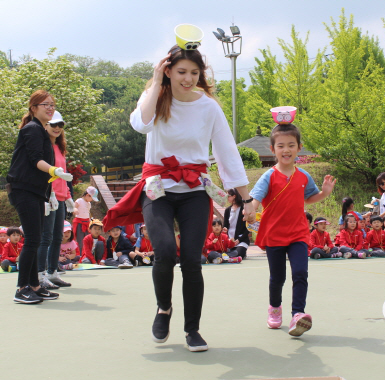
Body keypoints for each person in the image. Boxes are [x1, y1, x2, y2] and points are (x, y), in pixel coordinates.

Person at [103, 43, 253, 352]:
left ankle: (192, 329)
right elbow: (140, 124)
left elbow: (226, 151)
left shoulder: (208, 107)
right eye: (181, 71)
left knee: (192, 260)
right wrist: (156, 83)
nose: (188, 78)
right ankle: (164, 308)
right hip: (157, 187)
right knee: (165, 251)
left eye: (195, 73)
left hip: (194, 189)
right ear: (168, 71)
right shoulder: (155, 98)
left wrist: (247, 198)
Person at [249, 121, 335, 337]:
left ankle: (298, 314)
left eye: (291, 145)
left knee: (300, 273)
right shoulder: (268, 176)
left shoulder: (304, 176)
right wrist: (251, 209)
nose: (286, 150)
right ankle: (274, 308)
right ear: (273, 149)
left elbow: (309, 198)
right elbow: (256, 198)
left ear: (299, 147)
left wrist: (324, 193)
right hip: (274, 234)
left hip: (298, 233)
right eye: (280, 146)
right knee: (277, 278)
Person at [6, 90, 71, 303]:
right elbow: (36, 160)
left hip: (35, 191)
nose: (50, 108)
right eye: (46, 104)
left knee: (36, 239)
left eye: (52, 104)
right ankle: (22, 288)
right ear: (34, 108)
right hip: (23, 190)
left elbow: (37, 166)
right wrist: (54, 170)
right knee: (34, 239)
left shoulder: (41, 131)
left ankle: (34, 285)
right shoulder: (32, 129)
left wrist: (52, 181)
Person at [37, 111, 73, 289]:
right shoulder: (44, 147)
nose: (57, 128)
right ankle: (40, 275)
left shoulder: (60, 147)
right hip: (48, 197)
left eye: (60, 125)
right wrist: (47, 194)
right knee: (46, 237)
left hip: (60, 198)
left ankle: (52, 272)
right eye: (53, 125)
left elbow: (63, 176)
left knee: (57, 237)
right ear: (45, 125)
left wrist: (68, 197)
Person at [222, 188, 250, 259]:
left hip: (241, 240)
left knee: (239, 253)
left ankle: (231, 254)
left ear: (234, 196)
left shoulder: (244, 209)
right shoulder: (227, 210)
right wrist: (224, 230)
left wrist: (239, 240)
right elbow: (225, 225)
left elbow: (248, 228)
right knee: (223, 251)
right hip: (229, 240)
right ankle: (230, 254)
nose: (227, 197)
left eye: (228, 196)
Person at [73, 186, 99, 252]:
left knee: (87, 239)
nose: (92, 200)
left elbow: (88, 212)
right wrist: (75, 209)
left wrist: (91, 220)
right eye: (92, 198)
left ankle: (86, 253)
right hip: (80, 223)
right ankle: (81, 254)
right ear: (87, 195)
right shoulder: (79, 200)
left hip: (87, 223)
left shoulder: (89, 203)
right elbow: (74, 207)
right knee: (80, 240)